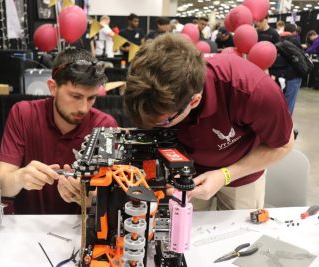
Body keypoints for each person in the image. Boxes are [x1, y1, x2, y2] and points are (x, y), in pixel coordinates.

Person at [124, 34, 293, 211]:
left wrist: (225, 175)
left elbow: (283, 146)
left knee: (239, 234)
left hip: (241, 176)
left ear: (194, 101)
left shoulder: (253, 91)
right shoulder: (157, 97)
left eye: (162, 122)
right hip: (184, 176)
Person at [0, 48, 118, 214]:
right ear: (53, 87)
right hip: (26, 229)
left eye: (91, 98)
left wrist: (90, 198)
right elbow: (2, 186)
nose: (84, 108)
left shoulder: (105, 126)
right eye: (75, 96)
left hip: (80, 230)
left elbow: (111, 196)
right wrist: (19, 178)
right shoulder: (23, 114)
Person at [271, 23, 304, 114]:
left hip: (277, 75)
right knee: (289, 103)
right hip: (293, 75)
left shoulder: (277, 38)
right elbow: (301, 58)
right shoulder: (294, 41)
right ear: (294, 32)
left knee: (278, 102)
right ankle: (286, 126)